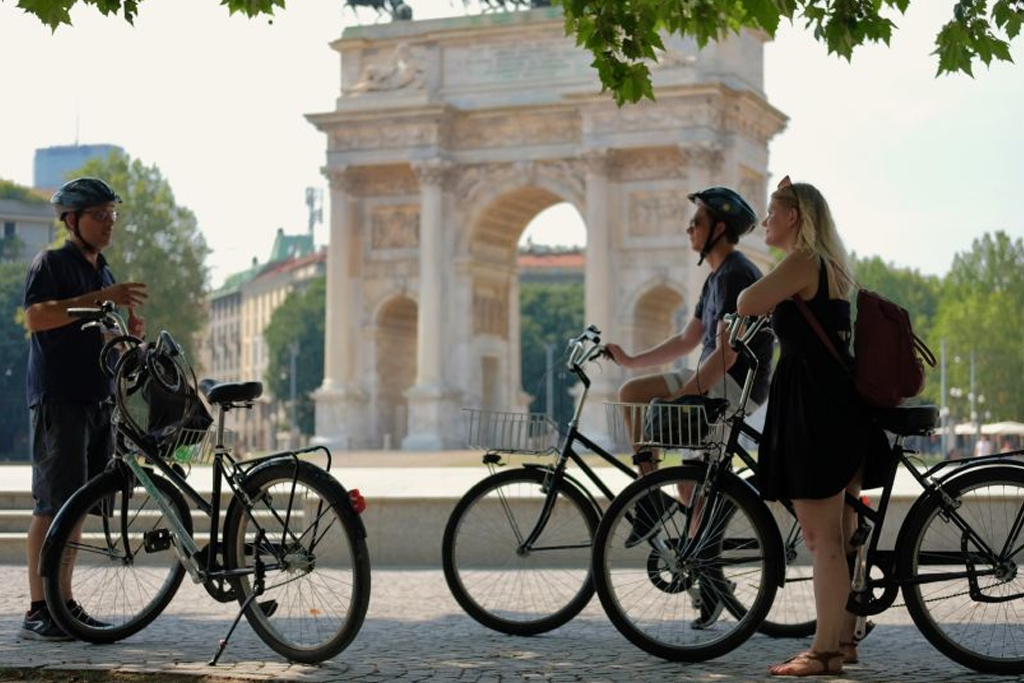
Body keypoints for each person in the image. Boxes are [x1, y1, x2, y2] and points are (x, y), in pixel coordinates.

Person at [737, 176, 889, 676]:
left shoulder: (801, 262)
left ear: (794, 217)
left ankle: (822, 654)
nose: (764, 222)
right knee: (840, 535)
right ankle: (842, 642)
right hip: (838, 406)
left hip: (814, 411)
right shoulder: (832, 265)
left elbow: (747, 302)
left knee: (822, 538)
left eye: (771, 213)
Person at [605, 186, 774, 552]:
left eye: (696, 222)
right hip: (720, 382)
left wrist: (683, 394)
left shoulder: (734, 275)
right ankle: (702, 564)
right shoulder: (717, 277)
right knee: (689, 486)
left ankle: (649, 497)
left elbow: (727, 354)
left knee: (632, 394)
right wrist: (631, 360)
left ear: (719, 229)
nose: (688, 228)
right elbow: (686, 340)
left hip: (730, 384)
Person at [20, 177, 147, 640]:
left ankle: (64, 603)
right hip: (59, 399)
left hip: (97, 400)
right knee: (51, 506)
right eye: (99, 216)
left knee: (76, 509)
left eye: (112, 215)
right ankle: (38, 608)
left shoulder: (105, 273)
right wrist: (98, 301)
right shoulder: (51, 263)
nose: (109, 224)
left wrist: (128, 337)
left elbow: (105, 334)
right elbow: (37, 317)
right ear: (71, 220)